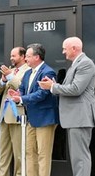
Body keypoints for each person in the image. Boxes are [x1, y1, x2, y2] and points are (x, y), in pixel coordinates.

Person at [38, 37, 95, 176]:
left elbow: (76, 89)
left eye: (65, 48)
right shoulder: (77, 64)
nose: (63, 52)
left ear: (74, 48)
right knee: (77, 158)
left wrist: (52, 86)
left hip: (80, 118)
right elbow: (69, 87)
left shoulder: (85, 64)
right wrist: (53, 85)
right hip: (75, 118)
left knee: (80, 158)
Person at [10, 43, 59, 176]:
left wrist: (21, 99)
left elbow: (42, 94)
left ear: (37, 57)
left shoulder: (48, 72)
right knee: (29, 151)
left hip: (45, 119)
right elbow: (22, 89)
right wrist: (17, 94)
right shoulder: (27, 73)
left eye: (28, 56)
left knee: (43, 154)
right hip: (31, 118)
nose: (25, 59)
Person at [0, 47, 29, 176]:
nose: (11, 58)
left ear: (23, 56)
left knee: (19, 153)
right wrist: (3, 80)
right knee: (3, 153)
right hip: (4, 116)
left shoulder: (28, 70)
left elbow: (22, 87)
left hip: (17, 117)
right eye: (10, 56)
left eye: (14, 56)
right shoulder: (11, 70)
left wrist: (10, 76)